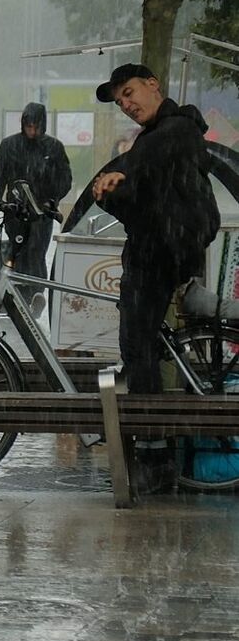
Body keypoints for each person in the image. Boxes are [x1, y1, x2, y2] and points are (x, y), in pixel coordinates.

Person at [92, 62, 220, 492]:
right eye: (121, 100)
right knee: (139, 349)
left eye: (130, 92)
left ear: (153, 85)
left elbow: (155, 163)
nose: (127, 104)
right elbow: (142, 206)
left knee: (139, 349)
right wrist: (113, 192)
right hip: (152, 251)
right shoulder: (154, 139)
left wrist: (122, 172)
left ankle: (155, 459)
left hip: (161, 256)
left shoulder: (177, 129)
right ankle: (152, 452)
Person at [0, 103, 73, 284]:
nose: (32, 131)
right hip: (15, 210)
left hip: (42, 212)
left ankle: (35, 292)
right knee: (17, 251)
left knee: (36, 252)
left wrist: (52, 199)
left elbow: (65, 180)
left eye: (36, 127)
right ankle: (14, 294)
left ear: (43, 125)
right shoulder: (10, 145)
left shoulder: (54, 147)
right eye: (29, 127)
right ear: (23, 125)